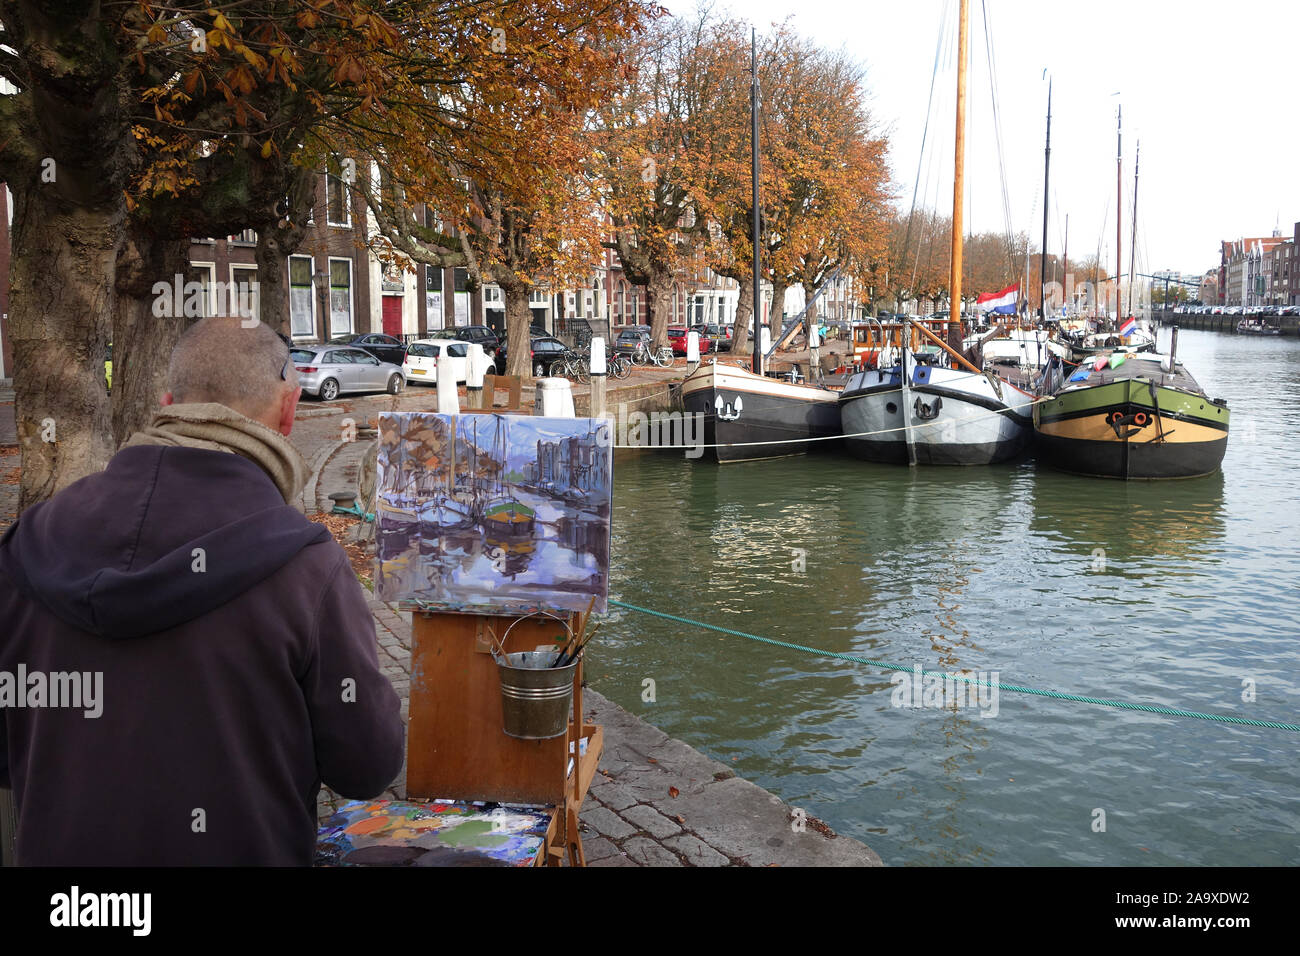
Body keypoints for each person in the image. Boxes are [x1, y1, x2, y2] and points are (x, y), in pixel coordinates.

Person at [0, 317, 404, 865]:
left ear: (169, 403)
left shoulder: (30, 541)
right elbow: (367, 765)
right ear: (288, 412)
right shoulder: (307, 567)